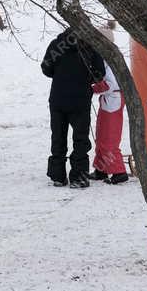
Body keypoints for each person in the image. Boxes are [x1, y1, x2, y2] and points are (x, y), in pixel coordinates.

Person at [41, 28, 104, 188]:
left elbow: (46, 68)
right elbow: (99, 74)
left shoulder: (56, 44)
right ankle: (78, 176)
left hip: (58, 99)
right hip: (80, 100)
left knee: (58, 136)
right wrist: (86, 78)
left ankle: (58, 176)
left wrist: (61, 73)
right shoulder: (90, 47)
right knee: (81, 138)